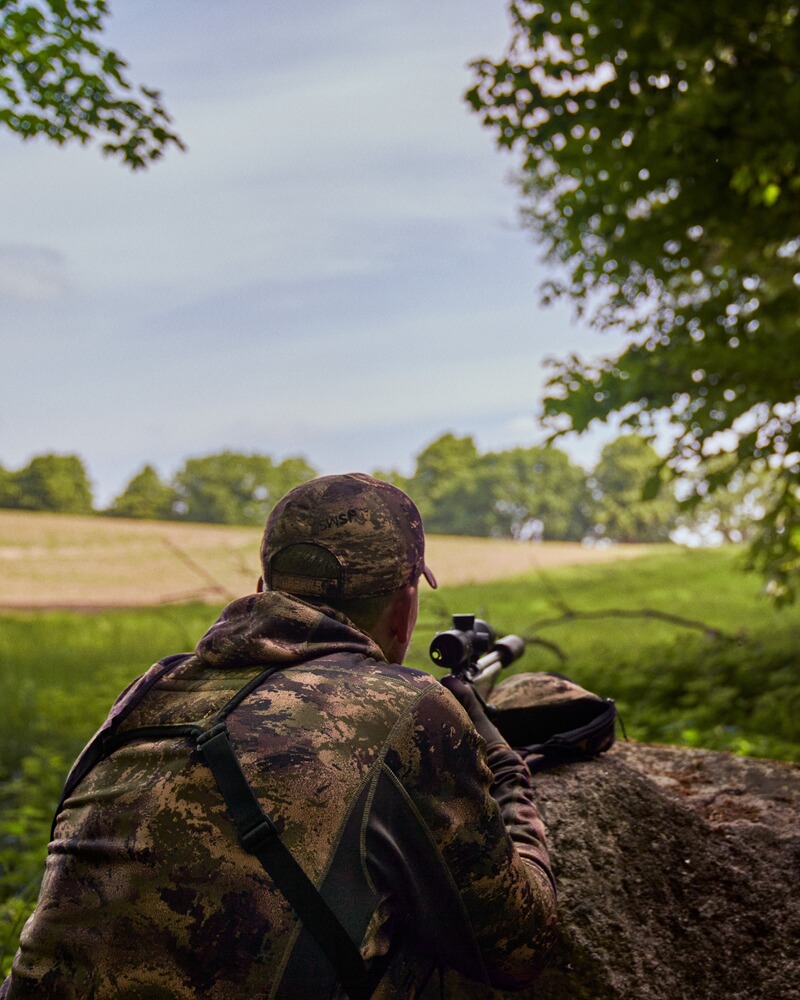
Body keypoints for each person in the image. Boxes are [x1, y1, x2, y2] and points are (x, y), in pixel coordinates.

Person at [1, 473, 557, 999]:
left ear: (263, 587)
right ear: (405, 605)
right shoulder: (409, 708)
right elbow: (515, 947)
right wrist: (506, 770)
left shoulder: (152, 688)